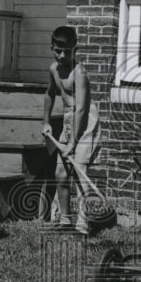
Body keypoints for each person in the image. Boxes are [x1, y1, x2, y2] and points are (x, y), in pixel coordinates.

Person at [41, 25, 101, 236]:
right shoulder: (53, 70)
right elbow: (49, 94)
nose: (63, 55)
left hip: (85, 123)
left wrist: (73, 143)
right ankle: (65, 218)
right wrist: (46, 121)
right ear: (52, 48)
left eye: (68, 51)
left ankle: (83, 223)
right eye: (58, 50)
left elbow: (82, 109)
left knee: (80, 172)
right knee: (61, 172)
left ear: (76, 49)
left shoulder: (79, 73)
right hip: (69, 120)